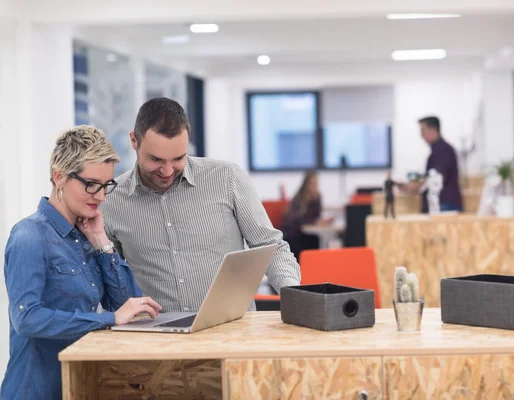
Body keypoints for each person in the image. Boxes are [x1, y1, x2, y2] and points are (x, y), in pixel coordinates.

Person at [1, 126, 162, 400]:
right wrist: (107, 320)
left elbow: (130, 306)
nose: (100, 196)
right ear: (59, 176)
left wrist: (101, 242)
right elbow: (27, 319)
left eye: (106, 186)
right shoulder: (29, 236)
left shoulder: (88, 234)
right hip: (35, 390)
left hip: (79, 385)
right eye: (91, 185)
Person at [100, 97, 301, 313]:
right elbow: (114, 280)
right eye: (156, 159)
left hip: (231, 329)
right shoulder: (110, 199)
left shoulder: (227, 178)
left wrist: (294, 293)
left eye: (178, 158)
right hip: (157, 334)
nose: (167, 171)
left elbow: (269, 247)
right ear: (134, 141)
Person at [400, 116, 463, 212]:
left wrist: (415, 185)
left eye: (423, 131)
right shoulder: (438, 151)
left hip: (444, 205)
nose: (421, 135)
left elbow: (437, 177)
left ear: (433, 129)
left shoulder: (443, 150)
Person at [281, 169, 331, 259]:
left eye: (316, 183)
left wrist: (318, 221)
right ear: (306, 183)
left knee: (316, 240)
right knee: (312, 241)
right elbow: (296, 219)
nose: (315, 186)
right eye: (312, 183)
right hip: (293, 234)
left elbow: (316, 216)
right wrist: (314, 221)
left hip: (305, 232)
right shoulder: (300, 197)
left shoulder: (317, 197)